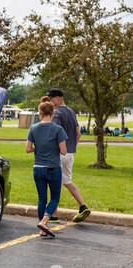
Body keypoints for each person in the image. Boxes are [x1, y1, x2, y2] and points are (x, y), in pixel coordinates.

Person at [26, 97, 68, 237]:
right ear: (52, 112)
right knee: (55, 197)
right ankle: (44, 221)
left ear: (40, 112)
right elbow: (63, 151)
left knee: (41, 198)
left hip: (38, 168)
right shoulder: (58, 129)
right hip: (53, 168)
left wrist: (38, 148)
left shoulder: (33, 128)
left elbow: (28, 148)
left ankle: (41, 228)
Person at [47, 89, 91, 222]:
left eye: (51, 98)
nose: (50, 100)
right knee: (67, 181)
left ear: (59, 98)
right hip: (70, 153)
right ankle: (83, 206)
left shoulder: (56, 113)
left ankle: (53, 215)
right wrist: (71, 147)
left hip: (58, 153)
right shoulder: (71, 112)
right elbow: (78, 134)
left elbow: (54, 133)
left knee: (53, 183)